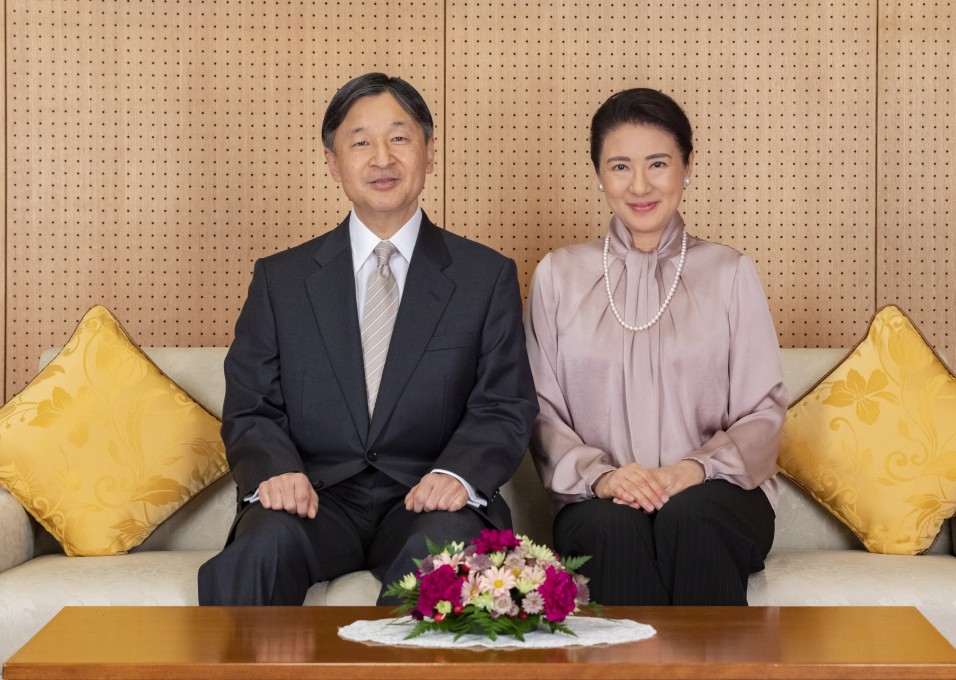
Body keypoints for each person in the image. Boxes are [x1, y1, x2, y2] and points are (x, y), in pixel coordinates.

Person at [198, 73, 538, 606]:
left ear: (429, 153)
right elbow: (251, 404)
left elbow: (504, 403)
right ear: (333, 163)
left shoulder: (484, 276)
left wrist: (457, 475)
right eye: (360, 142)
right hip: (315, 497)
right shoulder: (280, 280)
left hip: (429, 499)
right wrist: (276, 470)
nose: (382, 158)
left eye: (400, 138)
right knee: (262, 547)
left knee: (450, 551)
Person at [525, 88, 787, 606]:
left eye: (658, 164)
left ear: (687, 166)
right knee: (611, 527)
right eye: (620, 166)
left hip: (718, 493)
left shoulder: (730, 273)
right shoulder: (558, 275)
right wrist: (602, 478)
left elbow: (763, 411)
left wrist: (691, 471)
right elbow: (540, 411)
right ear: (599, 174)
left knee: (690, 517)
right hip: (596, 497)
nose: (639, 185)